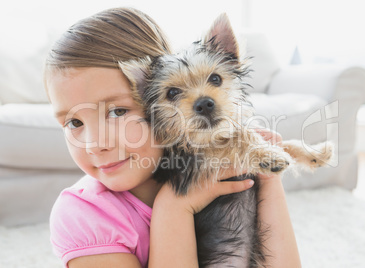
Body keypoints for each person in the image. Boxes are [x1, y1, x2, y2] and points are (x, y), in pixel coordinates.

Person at [45, 7, 301, 268]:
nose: (94, 144)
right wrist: (174, 206)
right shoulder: (83, 217)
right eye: (74, 122)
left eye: (117, 111)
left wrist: (268, 178)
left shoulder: (215, 170)